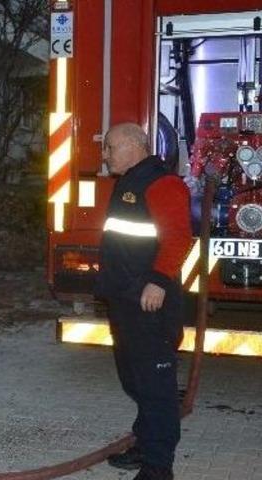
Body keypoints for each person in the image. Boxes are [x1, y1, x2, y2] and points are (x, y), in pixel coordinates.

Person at [95, 123, 193, 480]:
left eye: (110, 148)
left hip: (148, 301)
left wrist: (158, 281)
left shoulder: (162, 183)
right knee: (134, 380)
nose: (104, 156)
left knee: (155, 387)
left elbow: (179, 236)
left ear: (135, 146)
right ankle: (145, 443)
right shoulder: (130, 182)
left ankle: (158, 467)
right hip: (124, 299)